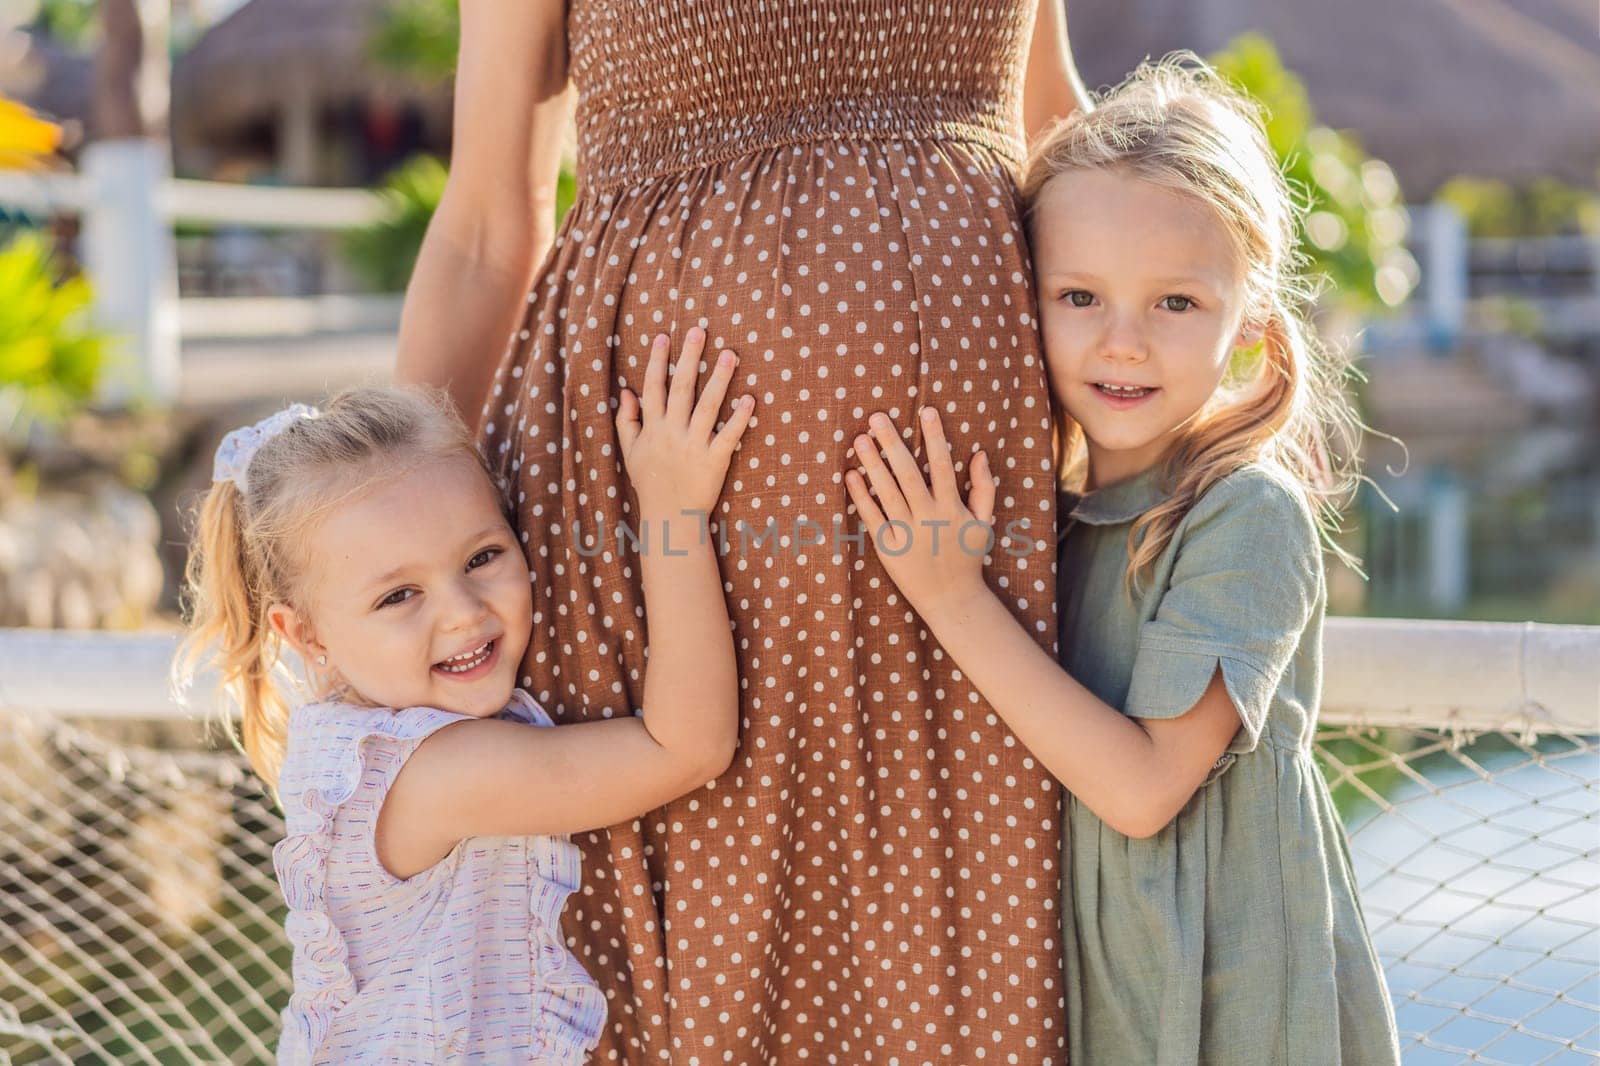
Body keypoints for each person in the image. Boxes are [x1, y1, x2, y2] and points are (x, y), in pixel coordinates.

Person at [395, 1, 1090, 1058]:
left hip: (974, 542)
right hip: (657, 526)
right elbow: (491, 223)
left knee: (962, 955)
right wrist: (390, 545)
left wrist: (1194, 430)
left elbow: (1055, 135)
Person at [843, 56, 1402, 1065]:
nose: (1124, 342)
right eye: (1079, 296)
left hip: (1228, 1000)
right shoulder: (1047, 515)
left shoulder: (1245, 513)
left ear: (1251, 328)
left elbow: (1144, 786)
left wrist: (948, 595)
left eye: (1176, 303)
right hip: (1089, 990)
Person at [173, 332, 754, 1063]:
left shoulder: (350, 716)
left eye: (484, 556)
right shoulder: (437, 773)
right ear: (306, 635)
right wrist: (674, 511)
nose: (463, 613)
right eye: (399, 595)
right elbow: (689, 746)